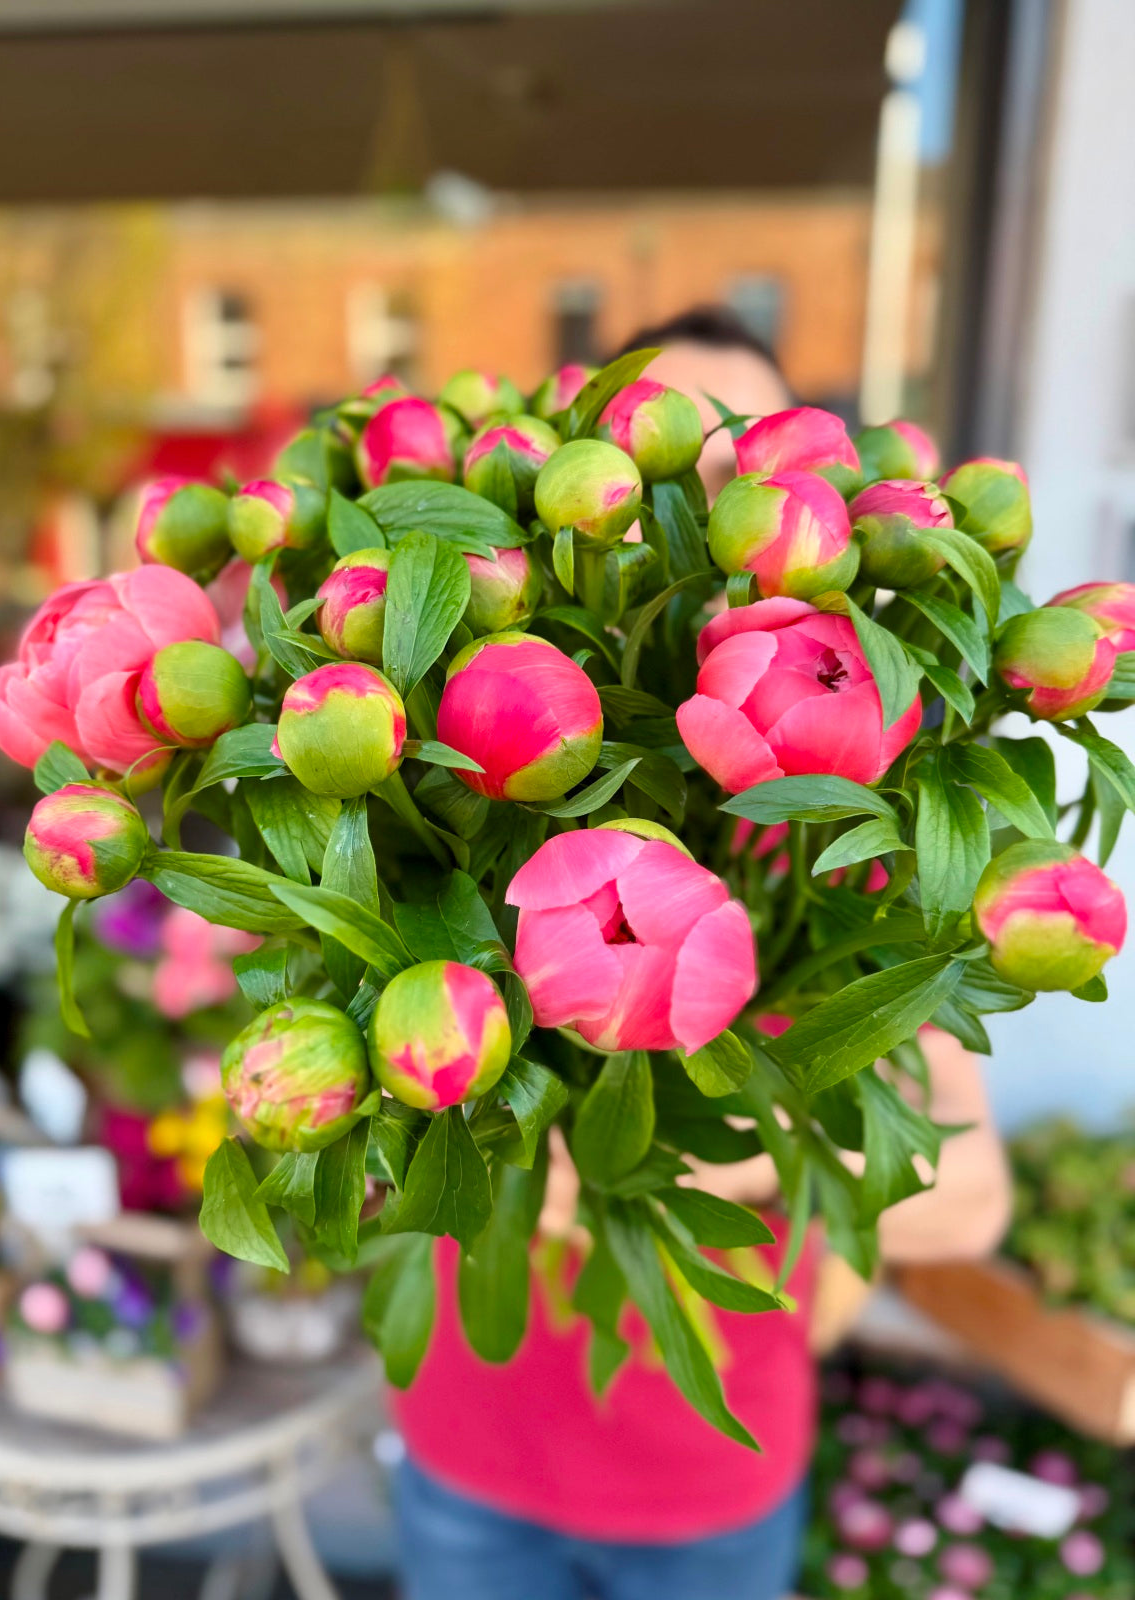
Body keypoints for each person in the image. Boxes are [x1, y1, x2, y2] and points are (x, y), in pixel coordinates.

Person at [389, 307, 1012, 1600]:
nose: (699, 481)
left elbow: (973, 1194)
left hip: (709, 1482)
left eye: (745, 463)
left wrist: (718, 1168)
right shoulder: (460, 771)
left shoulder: (875, 844)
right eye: (665, 450)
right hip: (462, 1447)